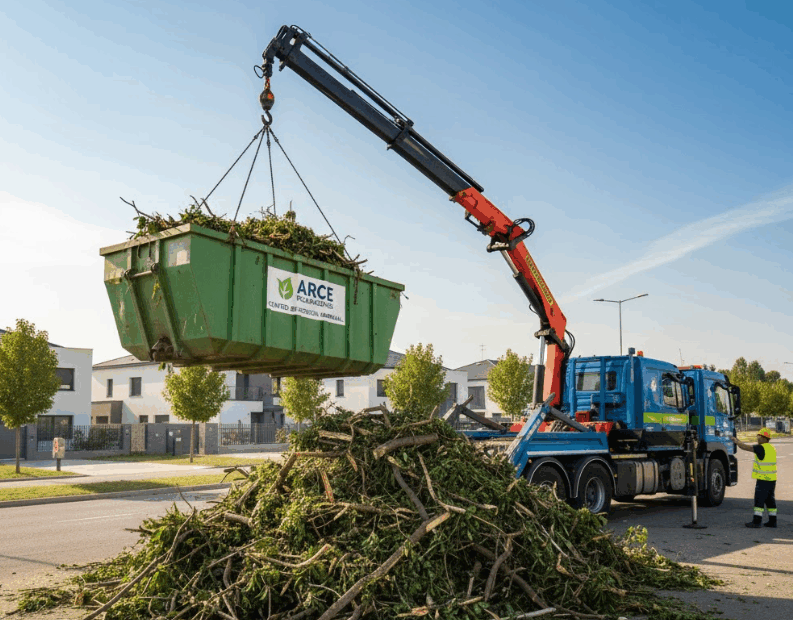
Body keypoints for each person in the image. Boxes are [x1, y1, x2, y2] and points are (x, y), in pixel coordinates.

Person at [732, 428, 777, 528]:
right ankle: (773, 521)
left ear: (764, 437)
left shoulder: (761, 447)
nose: (757, 438)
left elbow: (745, 447)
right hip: (772, 479)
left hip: (763, 480)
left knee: (759, 500)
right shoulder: (771, 447)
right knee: (770, 500)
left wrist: (736, 441)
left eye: (759, 436)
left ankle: (757, 522)